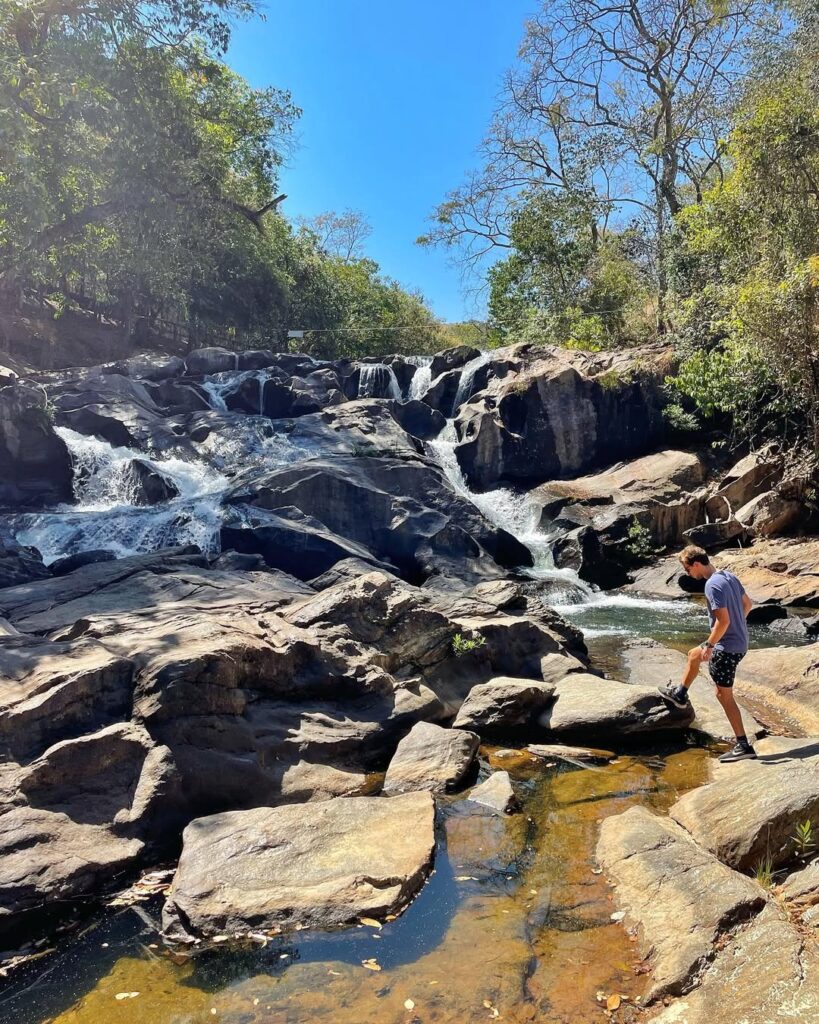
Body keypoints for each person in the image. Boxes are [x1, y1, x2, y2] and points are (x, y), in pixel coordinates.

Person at [658, 544, 757, 762]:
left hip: (726, 647)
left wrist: (711, 645)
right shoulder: (728, 576)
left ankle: (743, 745)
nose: (688, 574)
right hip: (738, 642)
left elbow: (723, 620)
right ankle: (680, 694)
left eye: (687, 569)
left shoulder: (712, 585)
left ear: (695, 564)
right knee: (694, 654)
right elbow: (747, 605)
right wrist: (735, 628)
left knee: (723, 695)